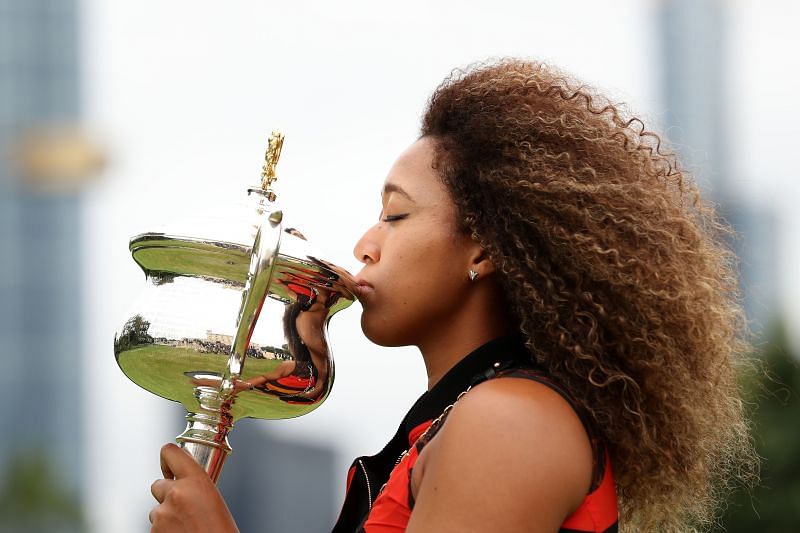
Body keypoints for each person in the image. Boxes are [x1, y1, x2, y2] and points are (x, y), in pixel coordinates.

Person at [148, 59, 757, 532]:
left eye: (395, 215)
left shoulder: (508, 420)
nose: (364, 245)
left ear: (485, 249)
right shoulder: (461, 420)